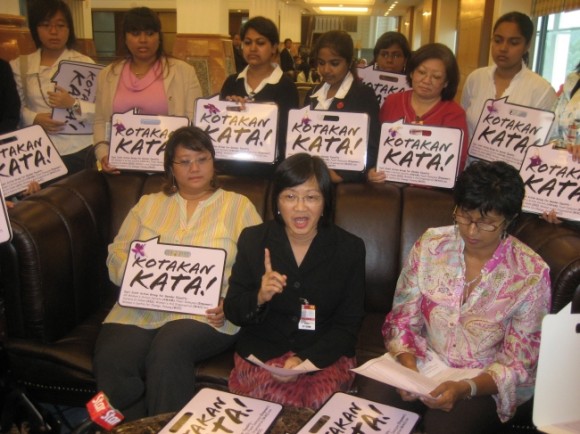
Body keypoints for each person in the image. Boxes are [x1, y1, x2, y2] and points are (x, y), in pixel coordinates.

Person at [93, 126, 262, 420]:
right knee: (113, 355)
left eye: (201, 159)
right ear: (170, 167)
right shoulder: (149, 204)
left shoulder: (238, 206)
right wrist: (134, 274)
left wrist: (231, 303)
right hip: (139, 309)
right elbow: (117, 253)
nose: (194, 168)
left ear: (213, 162)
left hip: (207, 313)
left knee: (170, 349)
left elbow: (257, 267)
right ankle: (131, 427)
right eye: (183, 161)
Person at [381, 160, 551, 434]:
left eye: (486, 224)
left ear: (509, 220)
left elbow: (519, 362)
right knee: (375, 407)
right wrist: (409, 370)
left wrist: (465, 388)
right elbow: (402, 319)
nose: (471, 231)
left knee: (445, 428)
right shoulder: (431, 245)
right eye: (464, 216)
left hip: (482, 380)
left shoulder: (530, 274)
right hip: (425, 361)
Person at [224, 153, 365, 410]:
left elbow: (347, 326)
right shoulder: (254, 240)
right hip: (264, 352)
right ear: (277, 201)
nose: (300, 207)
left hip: (324, 353)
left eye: (311, 197)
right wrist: (259, 297)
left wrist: (304, 359)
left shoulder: (350, 248)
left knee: (319, 404)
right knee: (275, 401)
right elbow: (233, 310)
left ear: (325, 202)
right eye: (290, 196)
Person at [93, 7, 202, 174]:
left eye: (150, 33)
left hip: (168, 167)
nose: (143, 40)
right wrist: (103, 154)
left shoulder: (183, 72)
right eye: (135, 34)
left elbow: (194, 122)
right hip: (122, 167)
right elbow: (100, 120)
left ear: (159, 37)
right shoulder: (107, 74)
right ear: (125, 38)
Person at [10, 0, 95, 175]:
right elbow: (13, 107)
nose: (54, 31)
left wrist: (73, 103)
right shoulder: (20, 65)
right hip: (37, 149)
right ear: (35, 28)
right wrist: (33, 118)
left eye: (60, 25)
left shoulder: (85, 63)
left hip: (79, 148)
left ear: (69, 29)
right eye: (45, 25)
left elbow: (100, 110)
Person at [368, 43, 468, 183]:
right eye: (421, 72)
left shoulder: (454, 114)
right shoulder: (392, 101)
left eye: (436, 77)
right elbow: (375, 145)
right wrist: (371, 170)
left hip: (430, 193)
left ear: (446, 82)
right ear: (411, 72)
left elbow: (457, 164)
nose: (426, 81)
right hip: (388, 187)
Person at [220, 17, 299, 177]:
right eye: (248, 43)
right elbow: (218, 126)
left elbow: (288, 135)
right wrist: (229, 111)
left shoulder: (286, 87)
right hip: (231, 170)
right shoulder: (232, 82)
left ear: (274, 47)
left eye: (260, 43)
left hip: (270, 173)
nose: (253, 48)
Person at [461, 11, 556, 143]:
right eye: (498, 40)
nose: (503, 48)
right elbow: (463, 124)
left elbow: (546, 141)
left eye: (514, 42)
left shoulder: (542, 90)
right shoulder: (475, 79)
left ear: (527, 45)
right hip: (472, 163)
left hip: (515, 164)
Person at [305, 30, 380, 183]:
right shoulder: (312, 94)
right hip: (310, 177)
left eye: (334, 63)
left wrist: (343, 176)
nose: (326, 70)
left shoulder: (363, 95)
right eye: (321, 63)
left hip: (345, 184)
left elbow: (371, 146)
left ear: (349, 62)